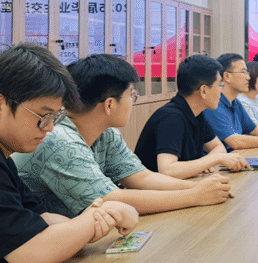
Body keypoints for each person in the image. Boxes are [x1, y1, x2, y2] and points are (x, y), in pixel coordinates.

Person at [0, 44, 137, 263]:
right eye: (43, 116)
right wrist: (103, 212)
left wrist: (88, 224)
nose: (50, 128)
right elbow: (32, 257)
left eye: (55, 117)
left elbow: (42, 219)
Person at [14, 54, 233, 218]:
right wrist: (193, 196)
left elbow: (142, 178)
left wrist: (201, 188)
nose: (133, 100)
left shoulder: (107, 133)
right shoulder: (59, 140)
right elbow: (109, 199)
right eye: (131, 94)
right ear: (110, 104)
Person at [135, 55, 250, 179]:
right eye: (219, 86)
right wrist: (213, 160)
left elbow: (218, 147)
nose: (221, 91)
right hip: (153, 189)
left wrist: (203, 164)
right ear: (203, 91)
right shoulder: (172, 118)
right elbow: (168, 170)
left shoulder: (196, 114)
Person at [202, 53, 258, 150]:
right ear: (227, 76)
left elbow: (254, 129)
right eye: (243, 72)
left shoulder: (235, 102)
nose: (248, 78)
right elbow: (235, 141)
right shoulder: (214, 104)